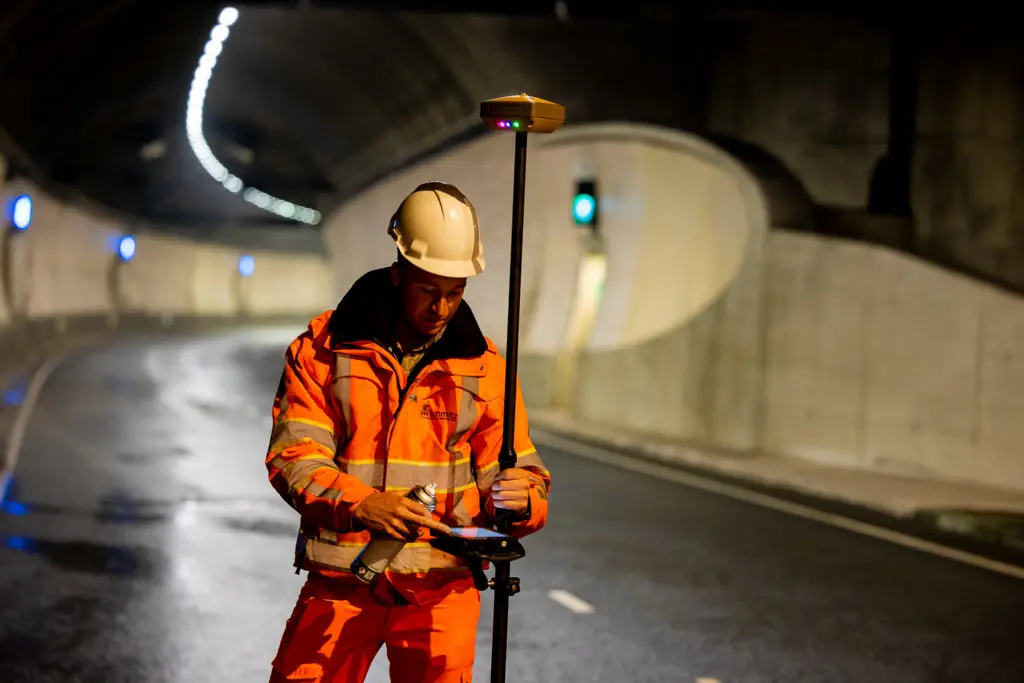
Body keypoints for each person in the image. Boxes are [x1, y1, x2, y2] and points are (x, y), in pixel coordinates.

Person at [264, 181, 552, 682]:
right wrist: (360, 504)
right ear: (398, 275)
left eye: (455, 294)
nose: (441, 310)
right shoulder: (322, 352)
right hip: (343, 582)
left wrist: (520, 498)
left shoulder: (486, 369)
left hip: (441, 589)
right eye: (428, 291)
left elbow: (520, 471)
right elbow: (296, 459)